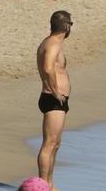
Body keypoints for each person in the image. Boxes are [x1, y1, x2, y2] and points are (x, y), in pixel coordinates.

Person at [36, 10, 73, 188]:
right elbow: (48, 68)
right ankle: (43, 185)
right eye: (71, 24)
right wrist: (56, 92)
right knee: (49, 144)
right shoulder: (52, 44)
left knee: (55, 144)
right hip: (52, 99)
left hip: (57, 100)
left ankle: (49, 184)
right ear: (66, 26)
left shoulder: (54, 43)